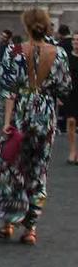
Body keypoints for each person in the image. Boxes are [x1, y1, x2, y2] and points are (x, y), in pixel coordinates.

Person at [0, 8, 72, 245]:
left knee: (11, 167)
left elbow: (8, 89)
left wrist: (6, 122)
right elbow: (65, 87)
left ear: (26, 27)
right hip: (45, 116)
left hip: (21, 113)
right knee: (38, 170)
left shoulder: (14, 51)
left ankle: (9, 222)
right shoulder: (59, 53)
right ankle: (31, 228)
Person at [58, 25, 77, 165]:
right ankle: (72, 151)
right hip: (70, 93)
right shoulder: (67, 57)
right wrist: (59, 94)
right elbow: (60, 76)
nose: (76, 42)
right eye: (74, 40)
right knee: (70, 122)